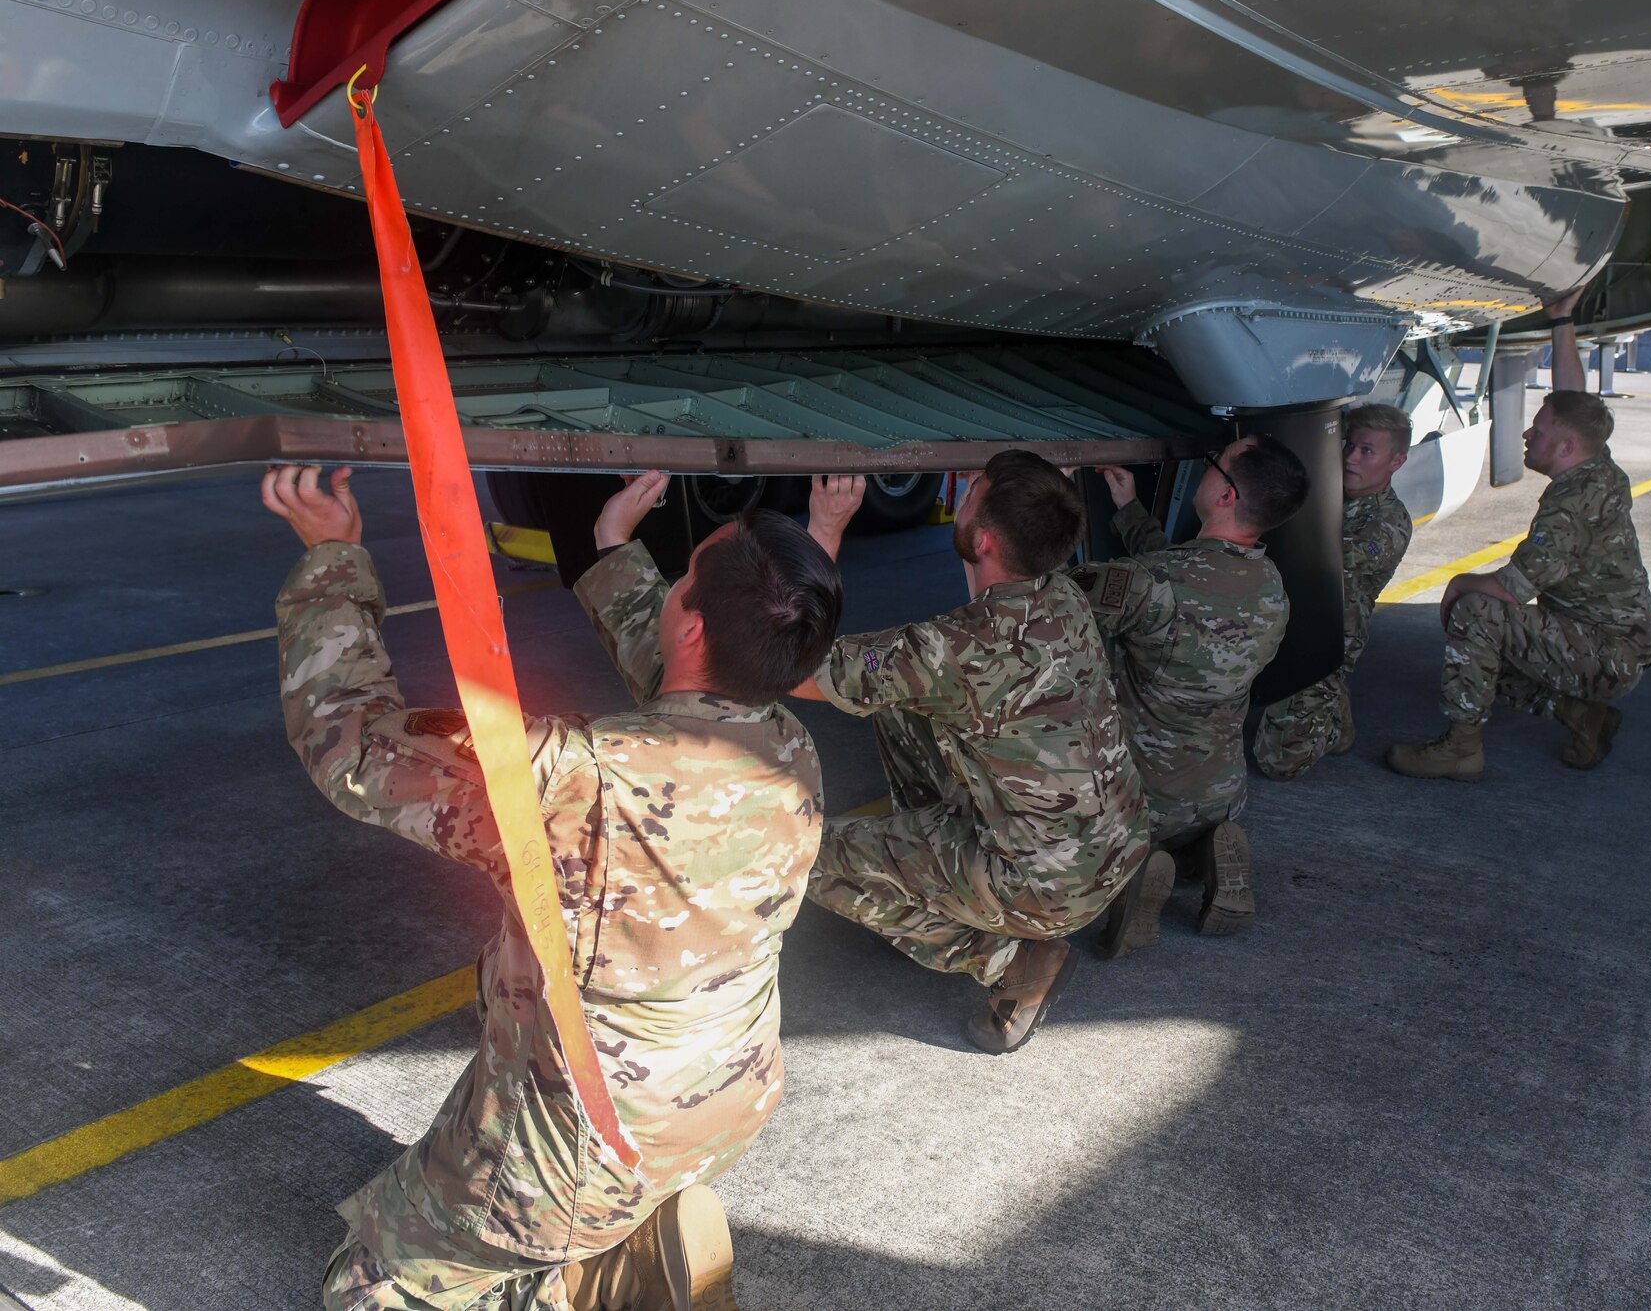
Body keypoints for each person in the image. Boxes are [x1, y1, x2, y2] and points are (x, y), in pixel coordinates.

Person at [263, 464, 842, 1311]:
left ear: (693, 624)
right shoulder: (789, 749)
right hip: (724, 1105)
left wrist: (334, 555)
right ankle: (625, 1231)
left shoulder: (571, 781)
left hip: (579, 1150)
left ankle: (578, 1279)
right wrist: (611, 548)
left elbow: (349, 742)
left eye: (682, 580)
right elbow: (691, 679)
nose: (675, 590)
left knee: (364, 1289)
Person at [791, 452, 1150, 1054]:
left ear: (982, 538)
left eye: (970, 493)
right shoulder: (1064, 595)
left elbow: (802, 666)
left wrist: (824, 530)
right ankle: (936, 854)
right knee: (902, 705)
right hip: (1120, 839)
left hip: (1043, 887)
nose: (960, 498)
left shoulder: (951, 650)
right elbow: (958, 641)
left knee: (799, 854)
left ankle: (1007, 960)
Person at [1386, 290, 1651, 779]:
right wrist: (1562, 318)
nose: (1528, 436)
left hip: (1605, 655)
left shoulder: (1569, 508)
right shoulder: (1599, 468)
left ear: (1567, 446)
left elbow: (1511, 590)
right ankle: (1581, 717)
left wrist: (1459, 583)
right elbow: (1577, 401)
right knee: (1489, 635)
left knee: (1475, 615)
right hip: (1616, 646)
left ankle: (1461, 749)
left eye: (1540, 431)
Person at [1069, 436, 1310, 955]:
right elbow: (1183, 580)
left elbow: (1050, 597)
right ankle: (1207, 851)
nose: (1206, 470)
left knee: (1054, 831)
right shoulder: (1271, 586)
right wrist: (1128, 508)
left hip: (1141, 794)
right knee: (1189, 818)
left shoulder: (1152, 581)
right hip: (1220, 790)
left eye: (1213, 465)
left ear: (1224, 495)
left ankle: (1134, 876)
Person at [1251, 405, 1415, 780]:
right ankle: (1328, 699)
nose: (1351, 458)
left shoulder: (1388, 524)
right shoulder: (1326, 491)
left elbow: (1315, 561)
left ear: (1397, 461)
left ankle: (1331, 708)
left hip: (1324, 638)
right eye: (1348, 445)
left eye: (1366, 451)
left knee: (1278, 763)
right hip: (1282, 613)